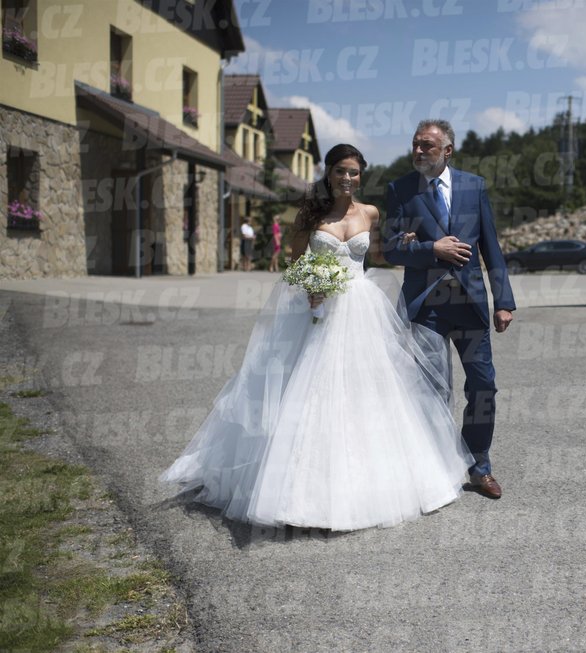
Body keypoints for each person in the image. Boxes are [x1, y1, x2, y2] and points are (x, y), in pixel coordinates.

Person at [160, 144, 473, 530]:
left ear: (361, 176)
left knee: (370, 394)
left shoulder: (371, 213)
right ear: (328, 172)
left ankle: (375, 484)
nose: (347, 178)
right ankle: (294, 489)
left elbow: (378, 256)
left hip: (360, 308)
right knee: (307, 389)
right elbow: (294, 261)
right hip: (317, 309)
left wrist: (408, 242)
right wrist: (310, 285)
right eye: (341, 170)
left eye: (354, 172)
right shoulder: (310, 215)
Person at [384, 119, 515, 499]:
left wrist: (503, 300)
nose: (419, 151)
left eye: (427, 145)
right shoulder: (400, 190)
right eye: (415, 145)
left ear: (447, 151)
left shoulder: (475, 186)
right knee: (434, 390)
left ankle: (479, 465)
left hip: (470, 305)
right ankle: (436, 469)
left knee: (484, 387)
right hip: (426, 306)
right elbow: (390, 249)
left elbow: (491, 246)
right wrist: (431, 249)